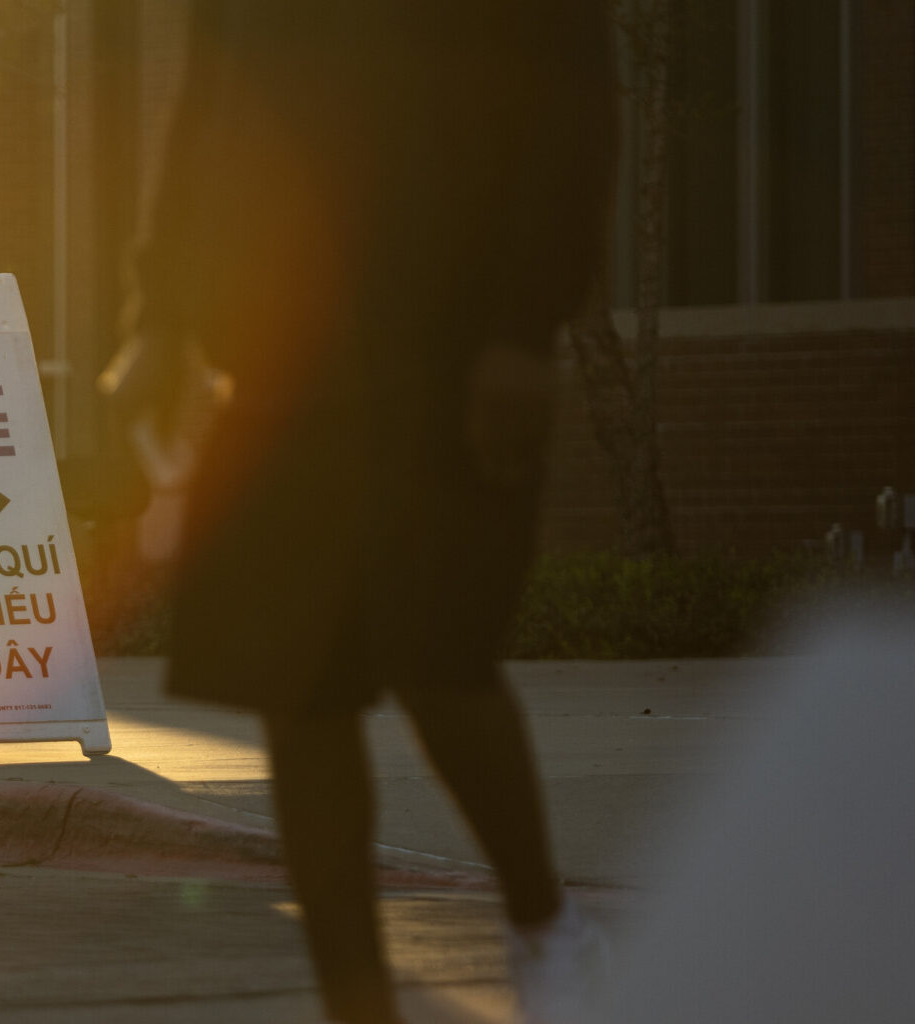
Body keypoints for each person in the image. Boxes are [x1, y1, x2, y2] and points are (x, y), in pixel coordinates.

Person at [108, 3, 617, 1022]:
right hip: (286, 358)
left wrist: (523, 328)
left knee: (440, 657)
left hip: (451, 348)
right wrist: (162, 315)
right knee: (299, 685)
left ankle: (546, 927)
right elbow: (209, 105)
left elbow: (572, 108)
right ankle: (356, 1000)